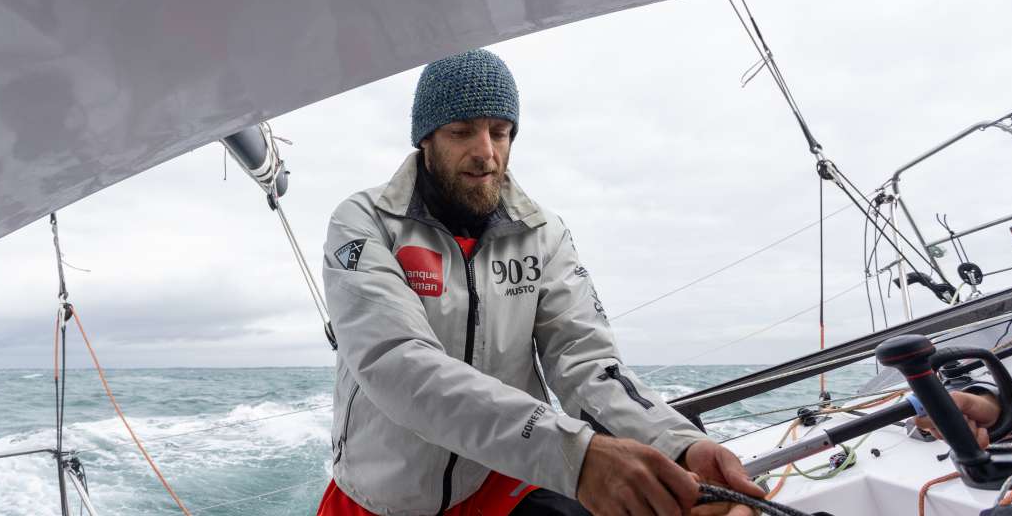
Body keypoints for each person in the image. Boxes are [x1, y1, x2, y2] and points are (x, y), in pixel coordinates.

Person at [318, 49, 763, 516]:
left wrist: (678, 446)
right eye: (461, 131)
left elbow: (585, 363)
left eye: (500, 131)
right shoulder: (365, 222)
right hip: (381, 497)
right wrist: (575, 456)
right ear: (425, 139)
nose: (486, 152)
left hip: (501, 478)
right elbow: (398, 363)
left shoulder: (543, 235)